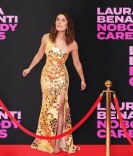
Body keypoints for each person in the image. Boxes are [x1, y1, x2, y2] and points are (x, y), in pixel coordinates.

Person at [22, 12, 86, 154]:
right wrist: (30, 68)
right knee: (48, 108)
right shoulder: (46, 38)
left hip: (62, 78)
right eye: (58, 19)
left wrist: (82, 78)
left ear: (68, 25)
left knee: (60, 108)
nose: (59, 22)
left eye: (63, 20)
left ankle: (57, 143)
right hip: (46, 77)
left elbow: (77, 63)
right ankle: (48, 140)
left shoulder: (72, 44)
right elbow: (39, 54)